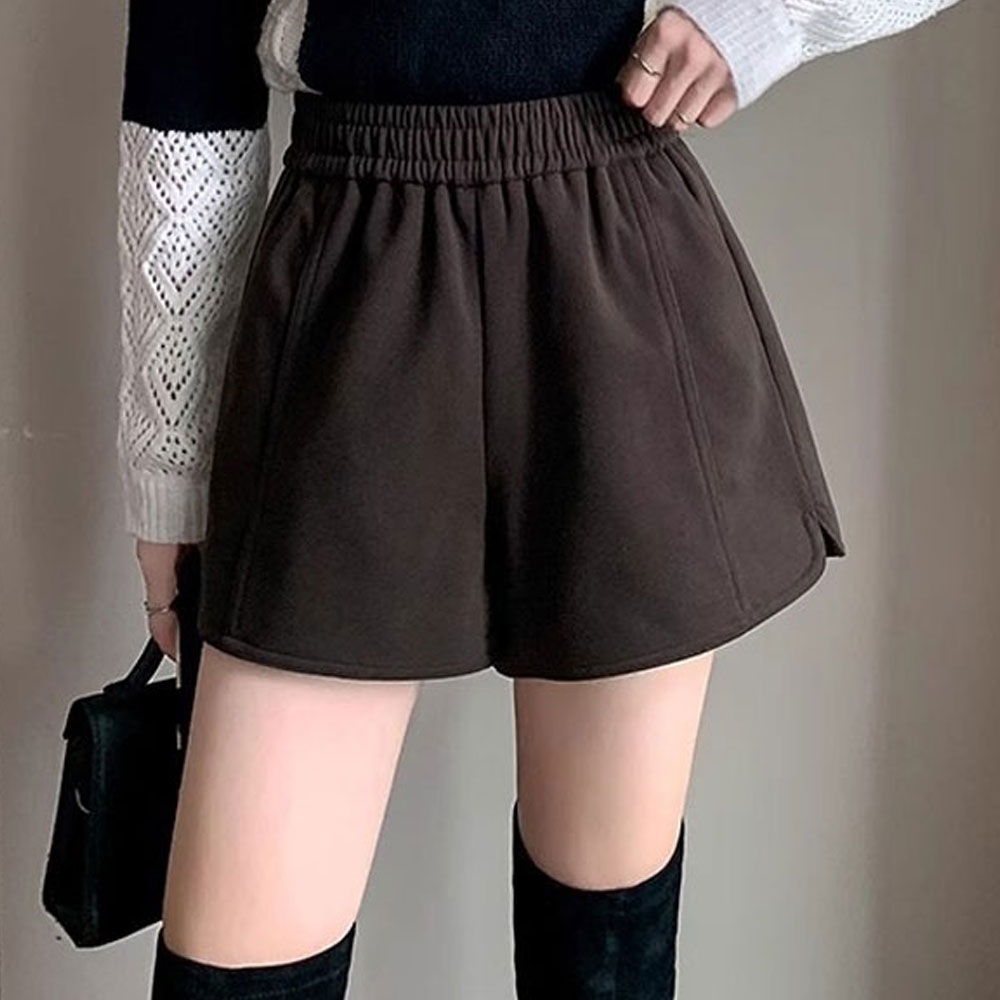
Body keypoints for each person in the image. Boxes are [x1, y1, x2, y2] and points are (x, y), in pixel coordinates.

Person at [114, 1, 962, 997]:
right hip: (350, 277)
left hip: (607, 258)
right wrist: (170, 470)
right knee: (235, 961)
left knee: (604, 938)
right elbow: (188, 84)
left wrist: (769, 14)